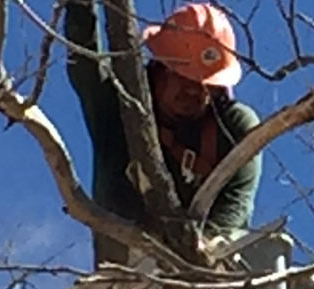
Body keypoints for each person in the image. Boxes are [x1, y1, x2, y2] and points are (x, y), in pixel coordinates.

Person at [65, 1, 262, 265]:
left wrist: (204, 253)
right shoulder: (119, 106)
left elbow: (234, 208)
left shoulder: (234, 127)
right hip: (123, 269)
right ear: (160, 67)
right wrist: (80, 7)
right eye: (184, 77)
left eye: (205, 84)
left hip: (204, 270)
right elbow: (84, 64)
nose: (194, 91)